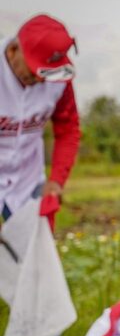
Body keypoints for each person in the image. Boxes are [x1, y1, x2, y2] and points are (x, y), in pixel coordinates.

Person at [1, 14, 81, 225]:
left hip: (28, 181)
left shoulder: (59, 80)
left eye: (46, 73)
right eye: (34, 70)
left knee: (32, 253)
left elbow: (68, 129)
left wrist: (56, 181)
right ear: (13, 50)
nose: (40, 79)